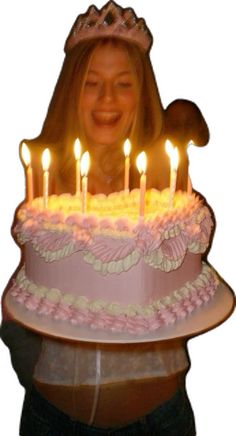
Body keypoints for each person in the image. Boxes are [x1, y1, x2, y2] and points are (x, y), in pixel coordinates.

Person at [1, 2, 211, 435]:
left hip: (157, 415)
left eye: (123, 83)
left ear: (142, 91)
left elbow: (181, 266)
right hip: (54, 416)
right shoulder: (46, 181)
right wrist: (29, 363)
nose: (107, 99)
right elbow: (30, 292)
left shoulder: (164, 181)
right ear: (69, 90)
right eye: (91, 82)